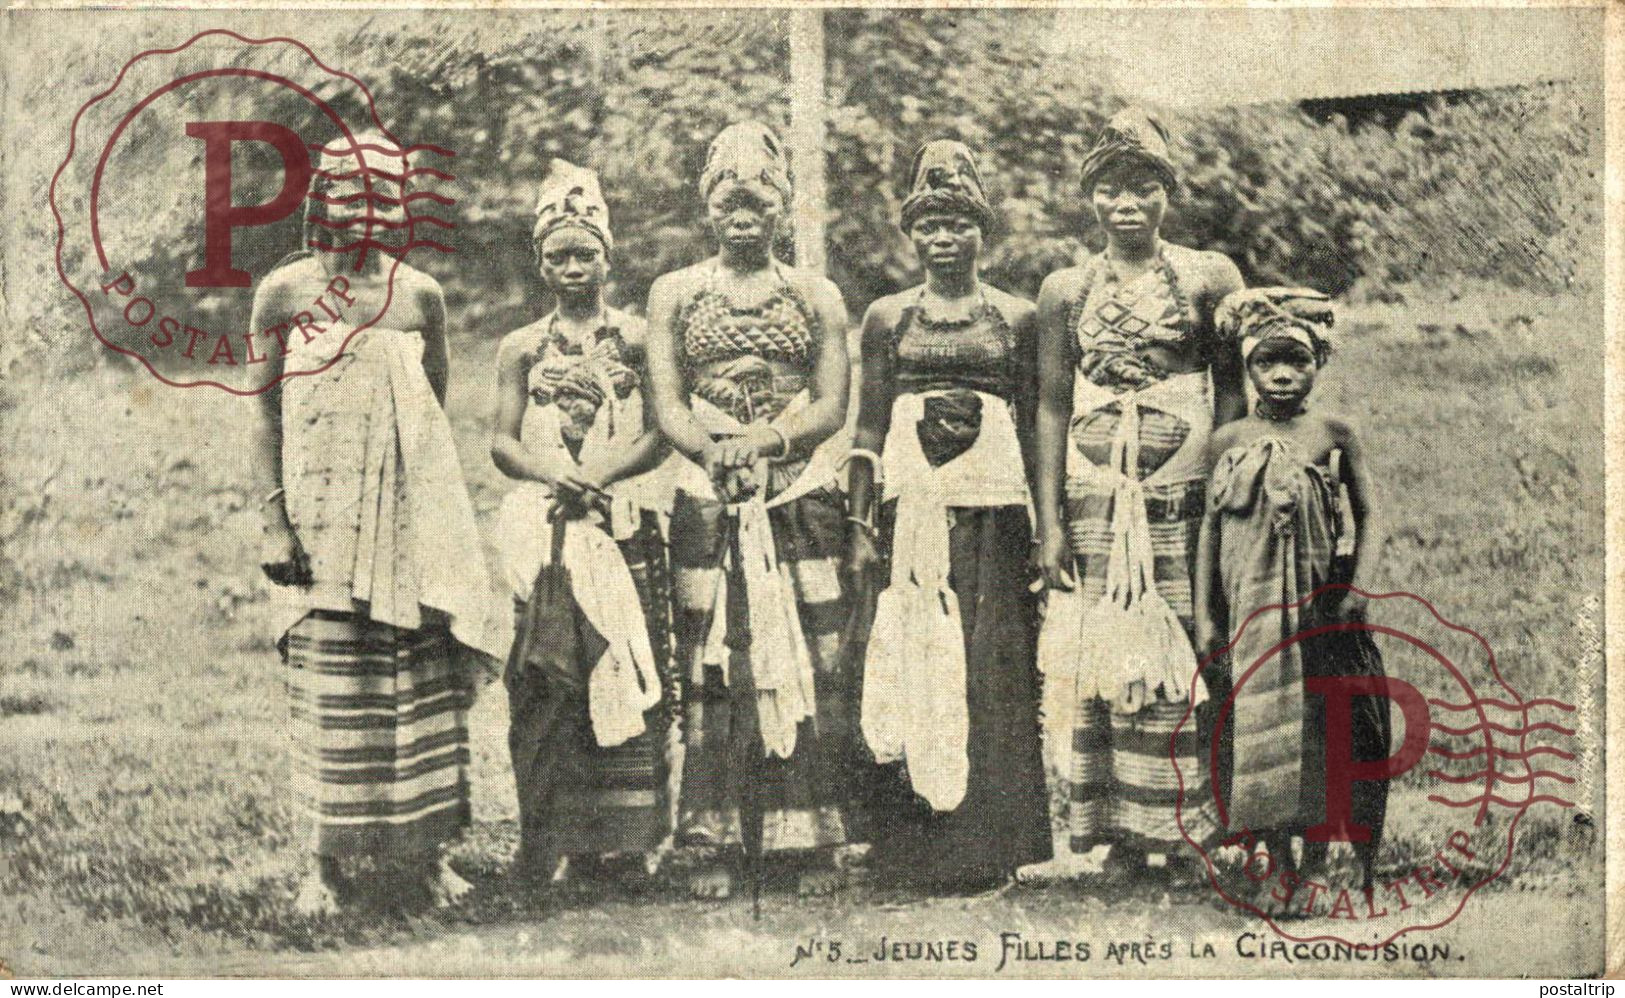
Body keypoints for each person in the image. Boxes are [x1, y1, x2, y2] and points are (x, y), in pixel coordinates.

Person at [252, 132, 509, 915]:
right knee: (332, 689)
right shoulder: (284, 292)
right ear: (322, 198)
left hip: (407, 522)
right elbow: (261, 417)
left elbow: (429, 406)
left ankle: (425, 859)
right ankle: (323, 870)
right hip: (319, 516)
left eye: (385, 194)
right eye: (352, 191)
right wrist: (274, 523)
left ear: (403, 206)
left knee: (415, 686)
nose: (368, 208)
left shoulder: (419, 295)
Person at [1032, 108, 1246, 880]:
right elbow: (1053, 403)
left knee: (1189, 640)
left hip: (1182, 491)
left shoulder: (1208, 275)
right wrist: (1050, 521)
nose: (1126, 205)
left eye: (1143, 188)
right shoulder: (1064, 288)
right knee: (1107, 652)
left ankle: (1193, 831)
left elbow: (1231, 395)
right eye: (1110, 190)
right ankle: (1119, 835)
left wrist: (1219, 482)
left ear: (1167, 194)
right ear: (1089, 197)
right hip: (1094, 498)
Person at [643, 121, 855, 899]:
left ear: (782, 206)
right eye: (728, 196)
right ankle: (715, 839)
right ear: (706, 207)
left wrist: (767, 438)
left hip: (798, 493)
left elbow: (831, 404)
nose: (743, 209)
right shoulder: (675, 292)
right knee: (713, 663)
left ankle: (812, 838)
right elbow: (665, 403)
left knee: (812, 656)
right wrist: (713, 451)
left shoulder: (814, 294)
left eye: (759, 194)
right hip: (708, 496)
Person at [845, 140, 1050, 891]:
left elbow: (1034, 430)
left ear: (981, 230)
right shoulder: (887, 318)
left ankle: (987, 850)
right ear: (911, 233)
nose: (943, 237)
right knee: (905, 663)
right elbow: (866, 432)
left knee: (989, 670)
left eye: (958, 222)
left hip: (992, 520)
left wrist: (1045, 527)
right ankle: (907, 852)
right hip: (906, 519)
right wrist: (860, 527)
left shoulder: (1017, 318)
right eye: (929, 223)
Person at [492, 160, 678, 887]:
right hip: (548, 534)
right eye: (559, 255)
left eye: (585, 253)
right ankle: (548, 840)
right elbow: (502, 441)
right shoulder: (520, 347)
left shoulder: (636, 337)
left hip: (623, 520)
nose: (574, 267)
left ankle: (627, 845)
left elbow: (661, 430)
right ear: (540, 263)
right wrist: (553, 475)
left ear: (609, 256)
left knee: (630, 669)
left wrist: (597, 477)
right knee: (547, 678)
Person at [1194, 287, 1389, 909]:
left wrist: (1357, 588)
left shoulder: (1334, 432)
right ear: (1247, 366)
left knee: (1320, 729)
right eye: (1266, 362)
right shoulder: (1227, 439)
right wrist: (1205, 616)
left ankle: (1315, 860)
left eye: (1297, 361)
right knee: (1258, 731)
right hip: (1248, 610)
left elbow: (1370, 513)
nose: (1282, 375)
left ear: (1318, 364)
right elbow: (1209, 528)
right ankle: (1272, 856)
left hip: (1317, 608)